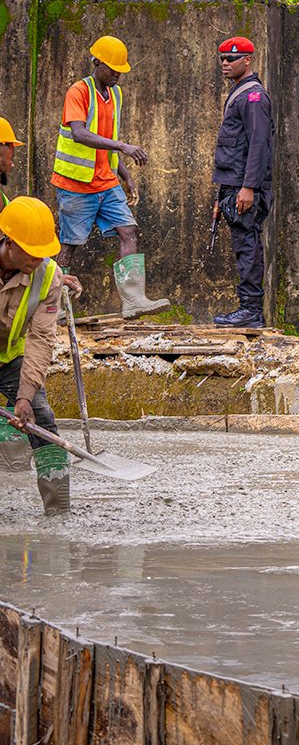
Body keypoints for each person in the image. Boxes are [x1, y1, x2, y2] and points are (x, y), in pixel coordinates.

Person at [53, 36, 170, 318]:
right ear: (96, 63)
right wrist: (122, 147)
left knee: (128, 231)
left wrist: (125, 176)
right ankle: (53, 304)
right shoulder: (79, 91)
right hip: (76, 184)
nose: (117, 74)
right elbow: (80, 134)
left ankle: (133, 300)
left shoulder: (115, 94)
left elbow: (108, 139)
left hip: (106, 181)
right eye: (112, 68)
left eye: (121, 69)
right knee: (70, 244)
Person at [0, 197, 71, 514]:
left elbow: (41, 338)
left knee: (42, 419)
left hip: (11, 358)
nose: (39, 258)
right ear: (10, 241)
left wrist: (25, 395)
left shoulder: (48, 276)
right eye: (32, 250)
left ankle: (58, 512)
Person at [211, 37, 274, 329]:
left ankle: (250, 310)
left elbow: (259, 144)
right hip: (233, 185)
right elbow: (234, 147)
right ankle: (247, 309)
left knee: (248, 246)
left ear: (247, 60)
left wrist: (248, 187)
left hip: (244, 187)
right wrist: (222, 192)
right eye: (223, 58)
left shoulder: (253, 97)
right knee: (242, 246)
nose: (225, 63)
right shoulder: (239, 93)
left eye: (232, 59)